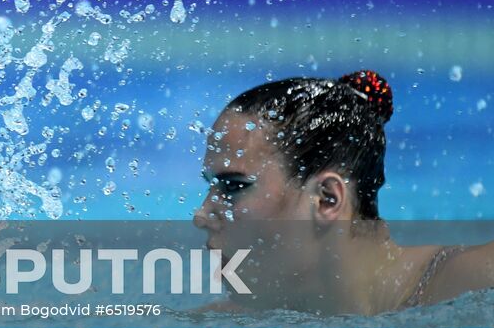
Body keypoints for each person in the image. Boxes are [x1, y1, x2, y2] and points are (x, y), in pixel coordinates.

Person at [195, 71, 494, 315]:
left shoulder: (475, 282)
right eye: (211, 187)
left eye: (234, 187)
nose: (202, 215)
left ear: (327, 199)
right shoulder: (240, 317)